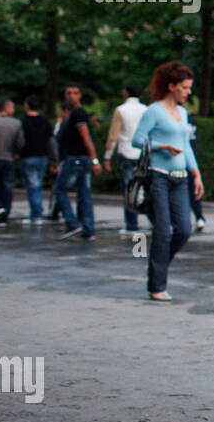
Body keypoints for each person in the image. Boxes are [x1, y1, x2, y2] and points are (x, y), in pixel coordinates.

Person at [132, 62, 204, 301]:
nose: (188, 92)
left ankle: (158, 264)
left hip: (180, 179)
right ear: (171, 86)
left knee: (183, 230)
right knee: (163, 232)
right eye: (184, 87)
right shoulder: (153, 111)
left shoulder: (183, 113)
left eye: (189, 87)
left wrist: (196, 174)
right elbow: (137, 141)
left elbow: (185, 146)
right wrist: (160, 145)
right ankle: (156, 285)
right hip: (159, 176)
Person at [52, 84, 102, 240]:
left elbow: (86, 138)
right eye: (69, 93)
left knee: (60, 190)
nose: (72, 96)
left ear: (79, 95)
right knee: (83, 194)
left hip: (76, 159)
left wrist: (95, 160)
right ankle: (88, 228)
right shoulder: (72, 115)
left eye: (75, 93)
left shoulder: (78, 114)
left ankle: (73, 223)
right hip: (80, 159)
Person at [104, 83, 147, 235]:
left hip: (127, 153)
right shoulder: (146, 110)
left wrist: (107, 157)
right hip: (142, 155)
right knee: (144, 189)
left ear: (126, 93)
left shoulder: (121, 110)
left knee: (129, 190)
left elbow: (113, 136)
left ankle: (132, 225)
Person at [19, 95, 56, 224]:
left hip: (28, 156)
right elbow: (51, 141)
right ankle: (36, 213)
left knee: (32, 186)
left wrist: (17, 152)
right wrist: (54, 159)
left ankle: (36, 214)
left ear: (27, 105)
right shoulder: (45, 122)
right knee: (37, 184)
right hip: (43, 157)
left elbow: (20, 140)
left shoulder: (23, 122)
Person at [187, 118, 206, 231]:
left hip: (182, 160)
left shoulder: (181, 117)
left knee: (192, 190)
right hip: (191, 159)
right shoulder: (191, 120)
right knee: (193, 191)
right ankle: (199, 217)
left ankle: (199, 217)